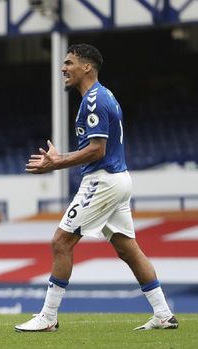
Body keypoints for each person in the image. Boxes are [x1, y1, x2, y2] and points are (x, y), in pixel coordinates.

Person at [15, 44, 178, 332]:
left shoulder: (93, 101)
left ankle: (48, 317)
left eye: (69, 63)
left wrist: (57, 162)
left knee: (60, 242)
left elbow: (97, 150)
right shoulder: (104, 96)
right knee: (128, 248)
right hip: (118, 179)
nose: (63, 68)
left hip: (102, 180)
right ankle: (164, 314)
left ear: (87, 67)